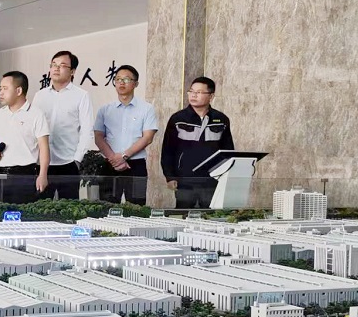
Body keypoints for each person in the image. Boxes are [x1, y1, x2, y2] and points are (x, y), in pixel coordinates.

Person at [161, 76, 234, 208]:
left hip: (212, 179)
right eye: (191, 91)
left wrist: (226, 176)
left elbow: (228, 151)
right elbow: (168, 150)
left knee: (210, 214)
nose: (193, 95)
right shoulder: (178, 118)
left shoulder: (221, 119)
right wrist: (170, 177)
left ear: (211, 96)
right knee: (184, 213)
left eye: (199, 92)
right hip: (185, 179)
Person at [32, 50, 94, 199]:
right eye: (54, 64)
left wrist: (77, 159)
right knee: (40, 208)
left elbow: (87, 130)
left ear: (72, 71)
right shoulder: (40, 96)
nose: (56, 68)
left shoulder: (81, 96)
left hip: (68, 163)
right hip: (42, 164)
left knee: (68, 207)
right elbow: (32, 127)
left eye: (62, 65)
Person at [93, 65, 158, 205]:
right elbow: (98, 137)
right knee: (106, 206)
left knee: (137, 207)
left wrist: (123, 156)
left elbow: (148, 138)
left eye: (127, 79)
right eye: (118, 79)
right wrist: (113, 159)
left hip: (136, 165)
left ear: (136, 84)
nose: (121, 83)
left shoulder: (147, 109)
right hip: (109, 164)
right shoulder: (105, 110)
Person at [0, 71, 50, 203]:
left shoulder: (36, 114)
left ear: (18, 91)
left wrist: (42, 175)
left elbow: (44, 148)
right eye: (0, 88)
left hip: (24, 174)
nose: (1, 93)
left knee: (22, 213)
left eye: (5, 89)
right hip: (0, 173)